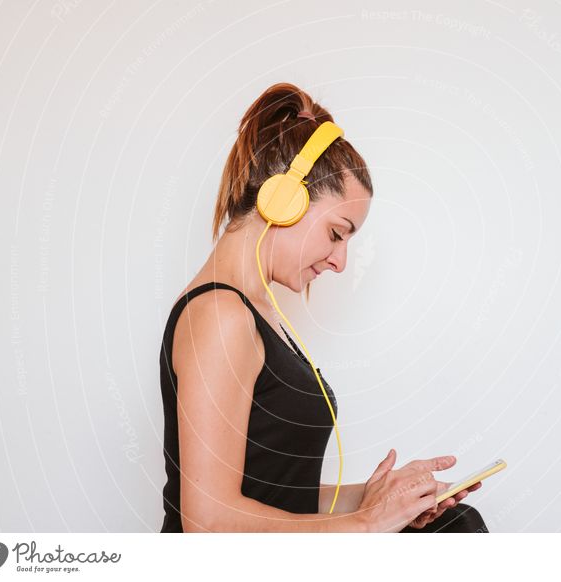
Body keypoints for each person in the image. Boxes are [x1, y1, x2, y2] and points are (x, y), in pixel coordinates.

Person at [159, 82, 488, 533]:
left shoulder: (257, 314)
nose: (339, 261)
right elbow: (208, 521)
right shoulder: (219, 315)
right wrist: (367, 525)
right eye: (337, 233)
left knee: (453, 524)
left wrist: (373, 500)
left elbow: (272, 491)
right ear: (283, 201)